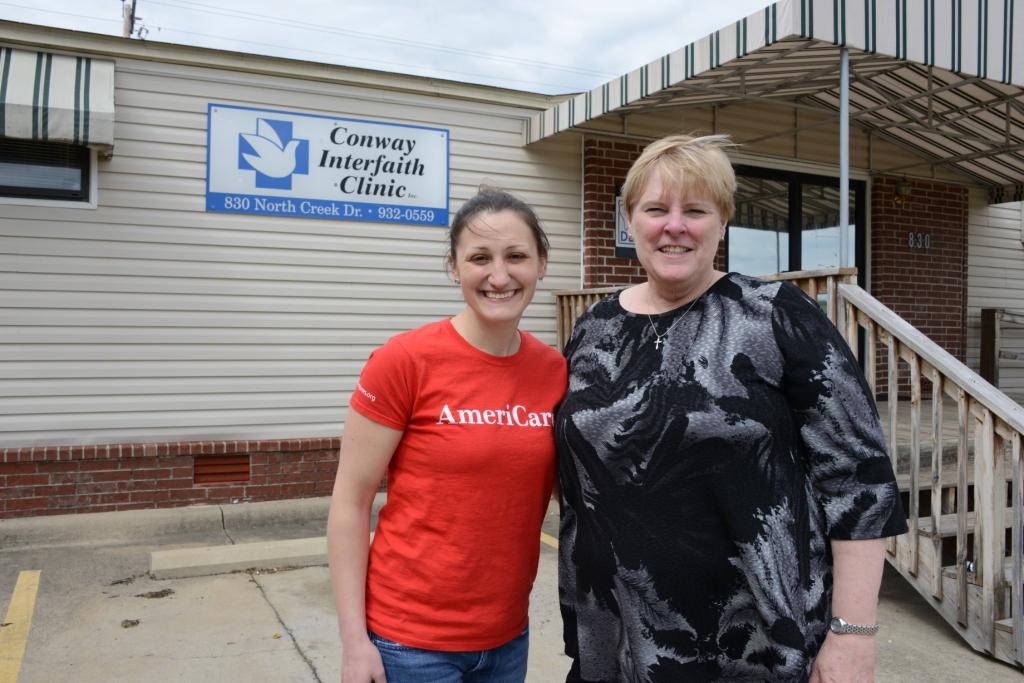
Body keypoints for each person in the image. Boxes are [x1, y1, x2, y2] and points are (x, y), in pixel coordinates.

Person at [555, 134, 907, 683]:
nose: (675, 226)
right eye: (656, 209)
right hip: (617, 641)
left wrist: (853, 635)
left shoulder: (777, 316)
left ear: (722, 223)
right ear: (630, 221)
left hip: (753, 645)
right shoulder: (594, 328)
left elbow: (859, 482)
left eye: (696, 211)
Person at [327, 188, 567, 683]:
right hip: (408, 643)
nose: (498, 276)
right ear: (454, 267)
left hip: (507, 637)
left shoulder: (555, 372)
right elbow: (350, 502)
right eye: (479, 258)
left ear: (542, 264)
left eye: (516, 256)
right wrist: (354, 642)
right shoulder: (404, 361)